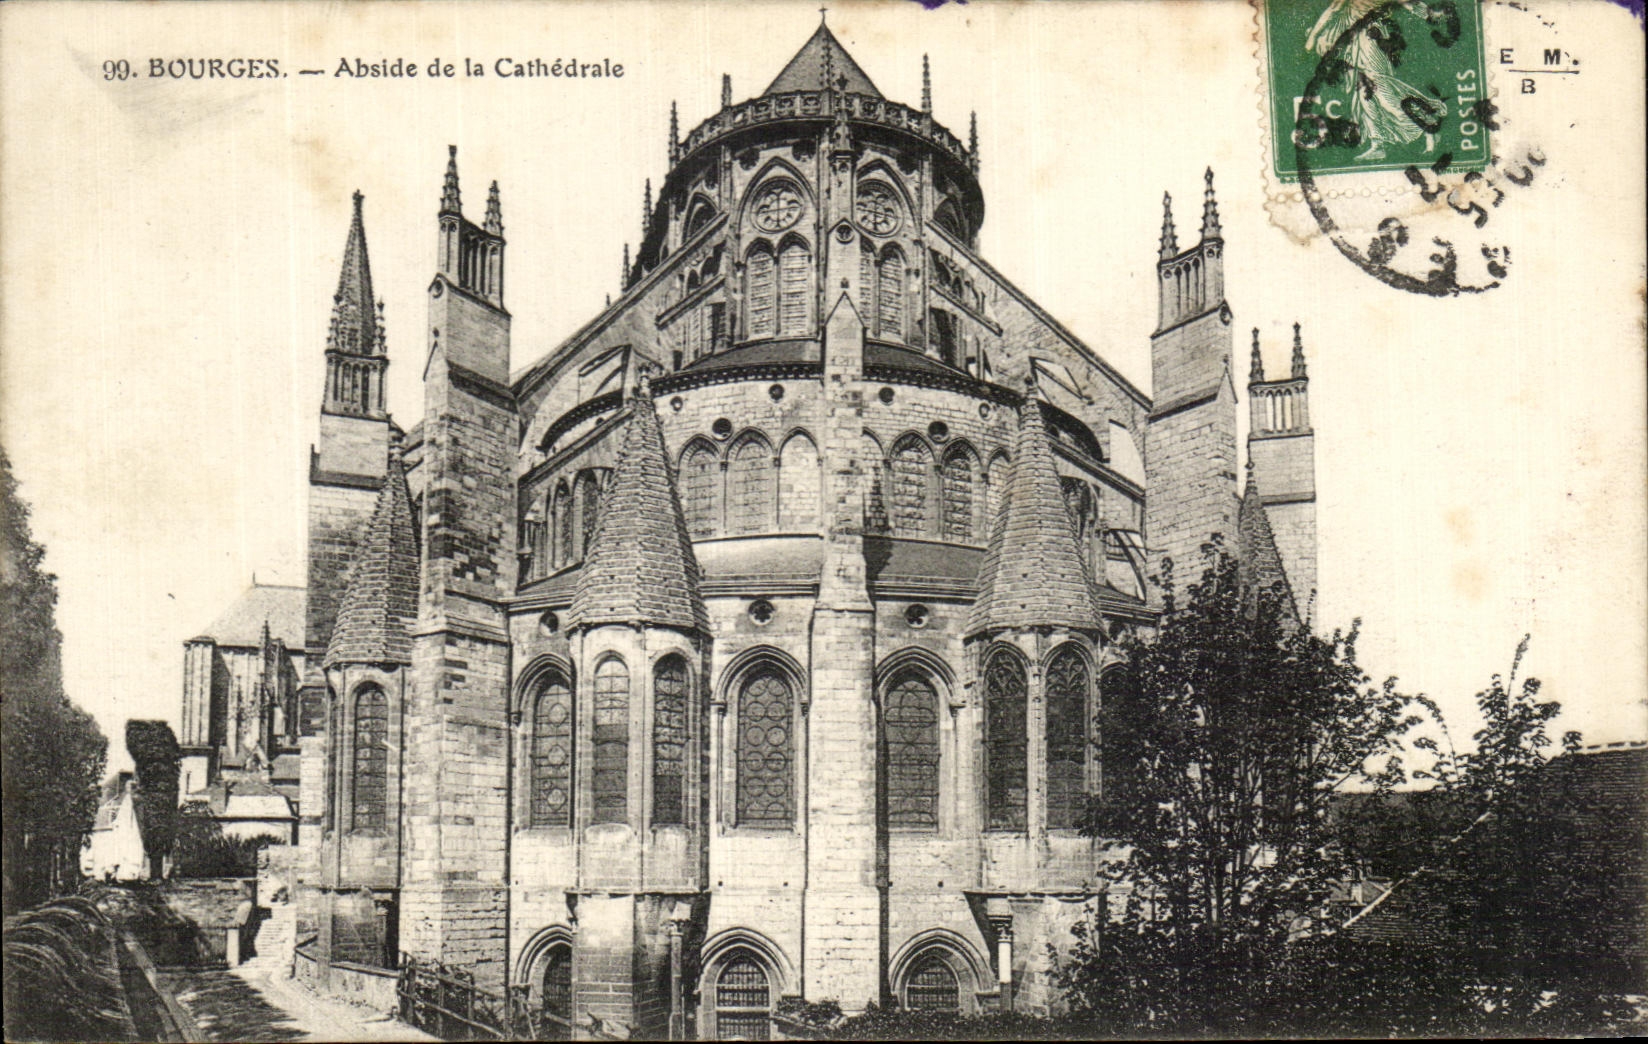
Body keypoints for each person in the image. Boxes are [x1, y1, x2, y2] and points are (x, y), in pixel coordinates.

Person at [1305, 0, 1446, 160]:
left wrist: (1427, 13)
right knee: (1365, 92)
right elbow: (1334, 9)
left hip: (1371, 40)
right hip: (1354, 42)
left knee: (1381, 90)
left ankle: (1427, 123)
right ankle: (1378, 144)